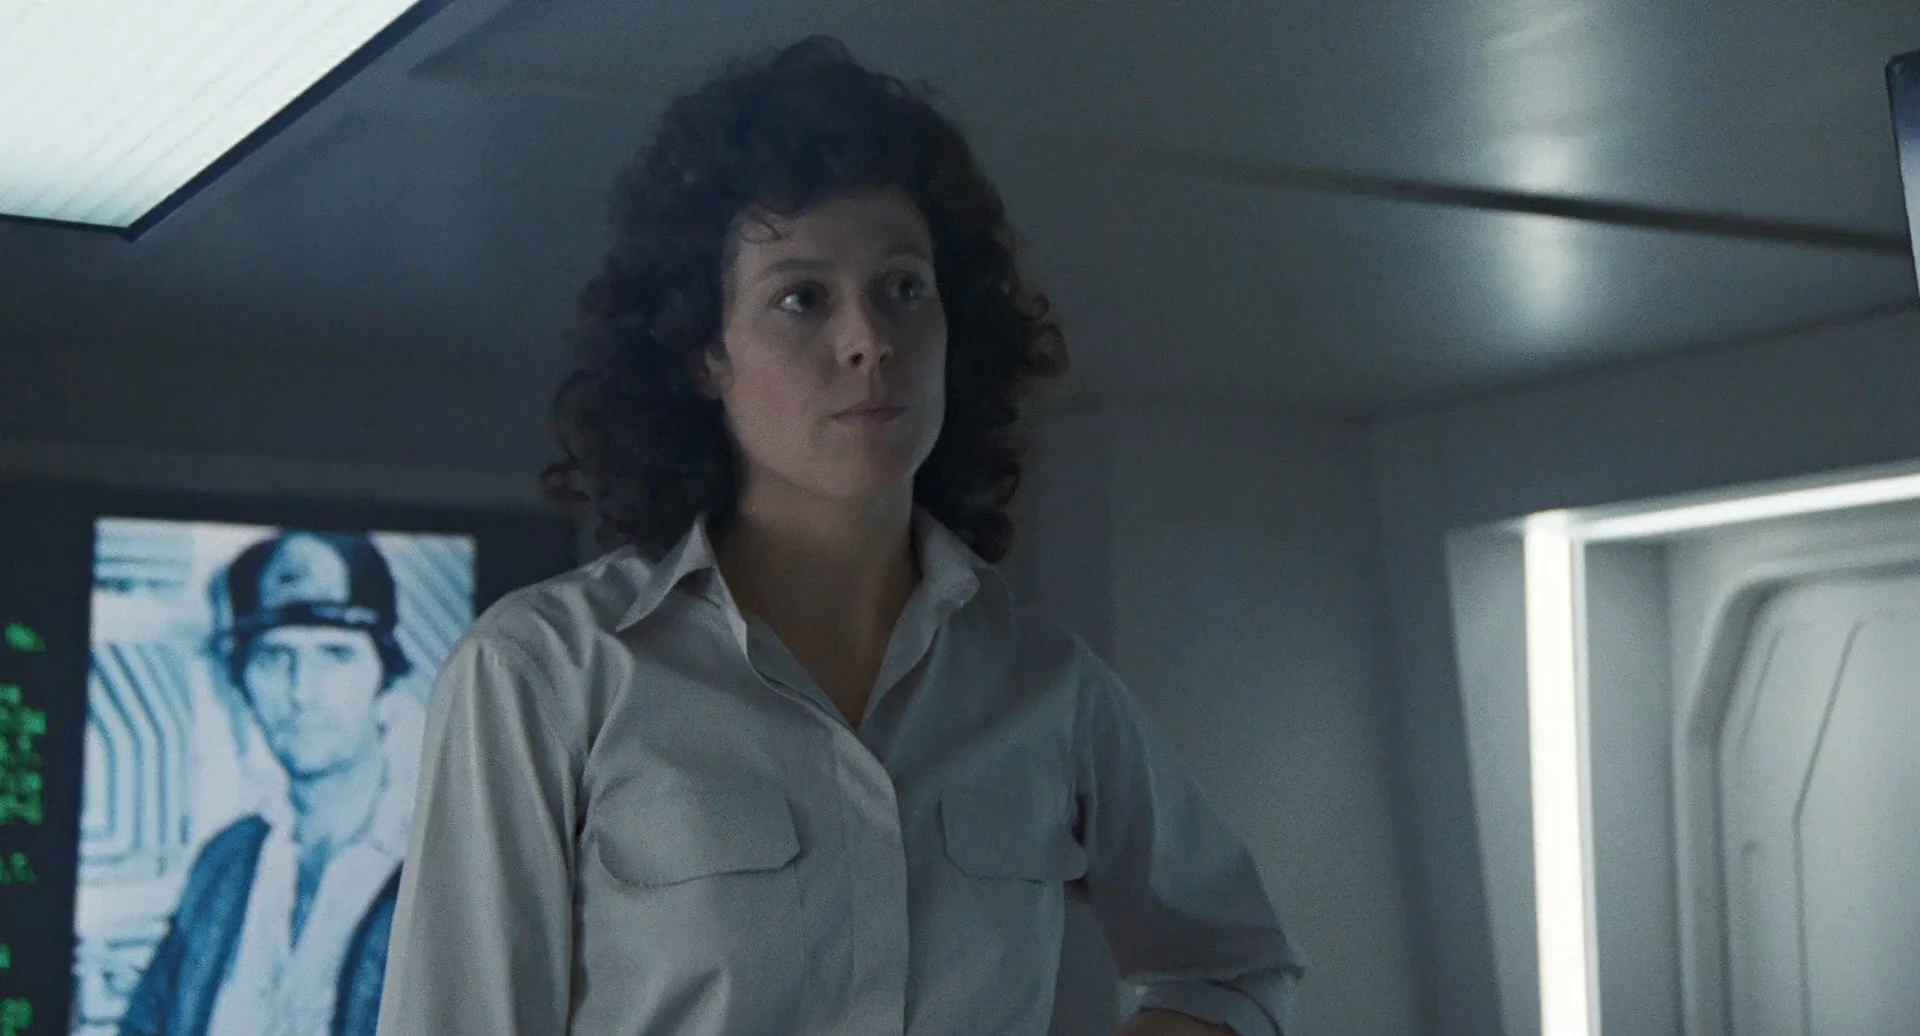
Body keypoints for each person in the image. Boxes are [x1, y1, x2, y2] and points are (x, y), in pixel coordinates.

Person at [379, 36, 1305, 1036]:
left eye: (903, 287)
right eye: (800, 298)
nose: (870, 340)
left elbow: (1234, 967)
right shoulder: (545, 672)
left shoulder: (1044, 684)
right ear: (704, 353)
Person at [121, 532, 420, 1036]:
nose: (302, 692)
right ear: (241, 680)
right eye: (275, 656)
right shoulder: (225, 862)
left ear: (383, 672)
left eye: (335, 654)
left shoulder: (449, 862)